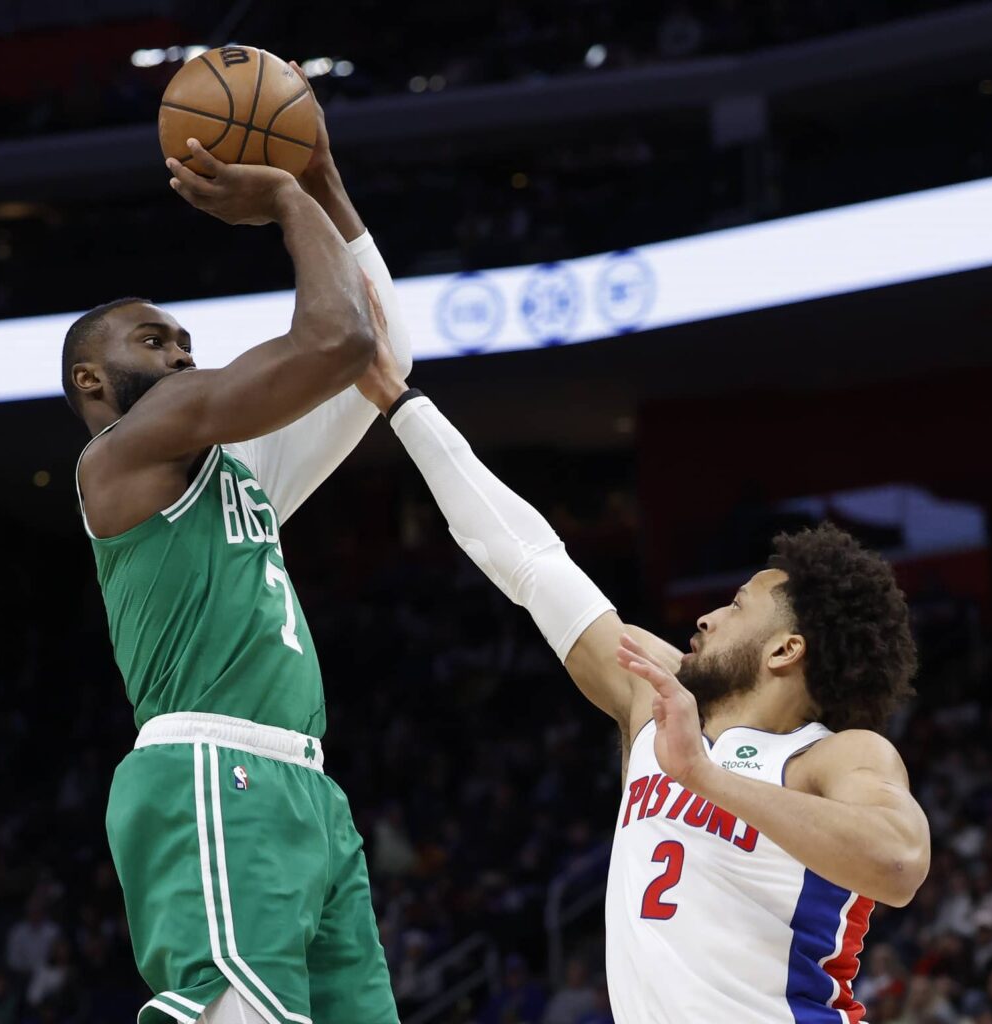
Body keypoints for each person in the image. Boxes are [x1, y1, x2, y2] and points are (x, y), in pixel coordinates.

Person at [354, 357, 930, 1022]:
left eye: (738, 606)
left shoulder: (833, 756)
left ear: (785, 649)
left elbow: (899, 863)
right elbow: (534, 563)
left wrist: (706, 779)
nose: (708, 616)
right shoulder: (654, 697)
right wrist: (404, 406)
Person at [63, 70, 411, 1024]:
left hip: (307, 790)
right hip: (214, 770)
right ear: (93, 379)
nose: (179, 356)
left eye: (184, 341)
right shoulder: (122, 453)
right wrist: (288, 198)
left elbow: (381, 351)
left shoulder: (239, 469)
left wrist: (327, 178)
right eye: (152, 342)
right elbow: (334, 340)